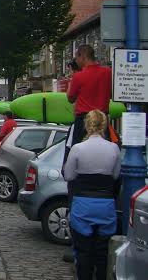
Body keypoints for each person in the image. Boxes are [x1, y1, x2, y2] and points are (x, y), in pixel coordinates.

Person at [63, 110, 120, 280]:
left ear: (87, 125)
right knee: (103, 252)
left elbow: (68, 175)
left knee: (83, 252)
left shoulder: (78, 148)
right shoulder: (113, 148)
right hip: (106, 203)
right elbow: (116, 175)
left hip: (83, 204)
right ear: (104, 125)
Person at [65, 44, 115, 165]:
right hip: (103, 119)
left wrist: (72, 79)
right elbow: (112, 94)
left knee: (72, 150)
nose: (76, 61)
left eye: (77, 57)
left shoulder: (78, 76)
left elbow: (70, 98)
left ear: (82, 56)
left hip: (83, 120)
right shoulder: (108, 72)